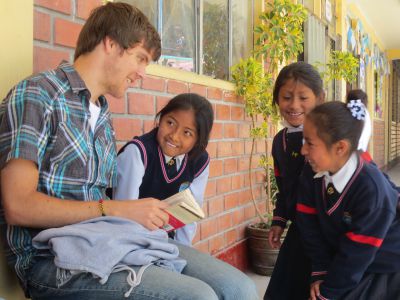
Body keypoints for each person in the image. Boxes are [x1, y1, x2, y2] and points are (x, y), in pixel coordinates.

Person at [0, 2, 258, 299]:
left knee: (240, 288)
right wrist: (118, 209)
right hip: (50, 259)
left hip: (109, 241)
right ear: (110, 43)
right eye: (140, 58)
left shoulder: (103, 117)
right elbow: (18, 206)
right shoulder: (39, 94)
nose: (142, 73)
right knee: (198, 296)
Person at [297, 101, 400, 300]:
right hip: (350, 257)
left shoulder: (370, 189)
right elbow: (309, 228)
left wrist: (328, 293)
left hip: (384, 261)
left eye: (309, 143)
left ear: (340, 148)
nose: (303, 150)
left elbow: (356, 255)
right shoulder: (310, 173)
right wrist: (319, 271)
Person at [114, 93, 213, 246]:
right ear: (160, 119)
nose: (174, 136)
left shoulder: (200, 161)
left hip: (165, 241)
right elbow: (122, 216)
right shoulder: (139, 153)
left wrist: (182, 252)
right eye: (170, 123)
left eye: (187, 133)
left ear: (198, 139)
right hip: (129, 240)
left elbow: (189, 213)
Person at [264, 61, 325, 300]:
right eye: (287, 97)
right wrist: (279, 220)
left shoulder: (327, 139)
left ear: (320, 98)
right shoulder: (279, 141)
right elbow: (283, 187)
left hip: (324, 232)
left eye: (303, 97)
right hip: (299, 231)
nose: (294, 105)